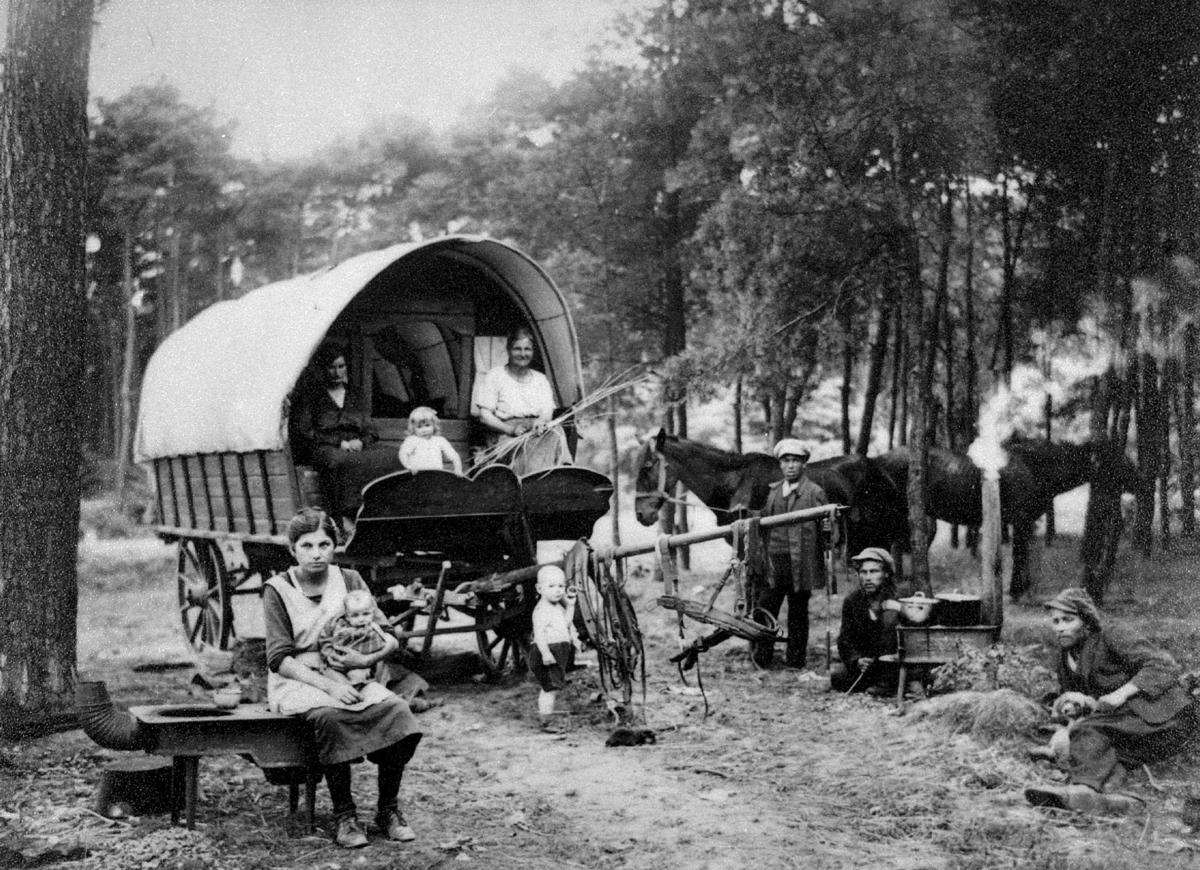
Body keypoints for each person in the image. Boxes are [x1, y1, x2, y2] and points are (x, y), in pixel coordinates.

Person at [264, 508, 422, 848]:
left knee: (399, 712)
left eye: (325, 544)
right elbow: (278, 657)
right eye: (307, 546)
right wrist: (329, 685)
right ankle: (345, 816)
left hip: (352, 674)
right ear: (292, 550)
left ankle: (388, 809)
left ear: (335, 546)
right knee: (330, 717)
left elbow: (389, 633)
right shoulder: (278, 589)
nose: (317, 553)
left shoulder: (349, 580)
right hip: (301, 680)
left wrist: (367, 657)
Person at [1024, 587, 1198, 814]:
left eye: (1068, 619)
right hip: (1128, 725)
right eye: (1055, 621)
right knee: (1102, 748)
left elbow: (1162, 665)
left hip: (1163, 715)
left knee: (1090, 730)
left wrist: (1121, 693)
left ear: (1086, 620)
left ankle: (1083, 788)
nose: (1061, 627)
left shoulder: (1111, 634)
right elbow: (1079, 703)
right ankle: (1117, 801)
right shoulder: (1065, 657)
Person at [290, 345, 401, 518]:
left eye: (341, 366)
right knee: (339, 461)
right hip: (325, 445)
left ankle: (383, 510)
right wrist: (339, 443)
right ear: (322, 369)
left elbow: (370, 430)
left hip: (356, 444)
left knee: (394, 455)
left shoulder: (355, 394)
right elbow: (305, 431)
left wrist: (361, 442)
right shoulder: (311, 396)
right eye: (331, 367)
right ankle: (344, 515)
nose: (337, 372)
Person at [751, 438, 829, 670]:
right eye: (786, 461)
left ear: (804, 464)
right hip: (775, 563)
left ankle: (795, 660)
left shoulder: (814, 493)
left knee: (798, 613)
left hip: (801, 563)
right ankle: (762, 658)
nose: (791, 466)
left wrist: (827, 527)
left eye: (796, 461)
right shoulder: (773, 492)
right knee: (765, 609)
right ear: (781, 465)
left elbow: (827, 531)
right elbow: (762, 521)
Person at [474, 326, 569, 476]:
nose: (523, 354)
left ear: (533, 351)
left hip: (536, 431)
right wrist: (510, 429)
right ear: (508, 349)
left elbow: (547, 411)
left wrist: (541, 421)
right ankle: (530, 481)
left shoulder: (540, 379)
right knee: (526, 448)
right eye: (517, 349)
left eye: (527, 349)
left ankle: (559, 477)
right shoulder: (495, 376)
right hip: (506, 433)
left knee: (557, 432)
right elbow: (485, 416)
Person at [829, 547, 902, 692]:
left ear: (886, 574)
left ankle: (887, 683)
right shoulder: (852, 601)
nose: (868, 578)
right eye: (863, 572)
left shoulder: (898, 598)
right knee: (836, 676)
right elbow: (845, 639)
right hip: (867, 665)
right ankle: (882, 683)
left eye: (874, 571)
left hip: (894, 663)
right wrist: (857, 660)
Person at [528, 564, 579, 731]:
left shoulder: (556, 607)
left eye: (561, 586)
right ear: (539, 588)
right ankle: (546, 723)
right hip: (547, 652)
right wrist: (545, 653)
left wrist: (570, 606)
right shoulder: (541, 610)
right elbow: (539, 634)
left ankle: (547, 719)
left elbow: (565, 624)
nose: (558, 590)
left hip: (556, 651)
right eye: (551, 586)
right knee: (549, 689)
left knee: (552, 687)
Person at [318, 588, 400, 688]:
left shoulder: (373, 628)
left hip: (360, 665)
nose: (361, 619)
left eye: (366, 614)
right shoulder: (339, 625)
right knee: (330, 677)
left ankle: (357, 690)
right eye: (355, 616)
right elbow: (325, 638)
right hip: (335, 661)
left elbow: (386, 642)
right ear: (347, 616)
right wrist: (329, 654)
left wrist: (366, 659)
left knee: (357, 677)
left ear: (372, 613)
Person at [1029, 692, 1098, 766]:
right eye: (1066, 703)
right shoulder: (1070, 723)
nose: (1067, 707)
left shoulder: (1081, 722)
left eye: (1076, 705)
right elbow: (1061, 728)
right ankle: (1048, 755)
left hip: (1067, 751)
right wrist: (1050, 728)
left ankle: (1050, 756)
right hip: (1058, 748)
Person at [397, 406, 463, 474]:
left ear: (434, 425)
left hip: (436, 475)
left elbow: (454, 456)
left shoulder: (440, 440)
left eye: (427, 425)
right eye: (419, 427)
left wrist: (458, 469)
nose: (424, 430)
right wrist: (408, 466)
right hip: (417, 475)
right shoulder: (412, 440)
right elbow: (403, 453)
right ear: (413, 428)